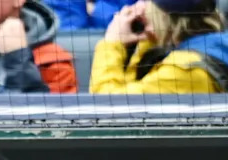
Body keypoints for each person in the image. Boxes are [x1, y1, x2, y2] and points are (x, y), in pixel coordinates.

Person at [90, 0, 228, 94]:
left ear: (162, 15)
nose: (139, 5)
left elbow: (106, 107)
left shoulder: (185, 70)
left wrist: (112, 43)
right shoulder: (212, 46)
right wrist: (150, 40)